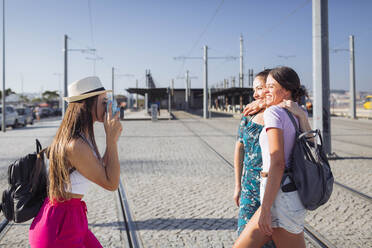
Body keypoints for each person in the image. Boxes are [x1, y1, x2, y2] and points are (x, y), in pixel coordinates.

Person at [29, 76, 123, 248]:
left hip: (71, 217)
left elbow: (100, 169)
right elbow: (111, 183)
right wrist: (111, 141)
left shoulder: (82, 137)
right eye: (103, 102)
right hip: (59, 227)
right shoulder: (75, 145)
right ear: (87, 104)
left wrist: (112, 138)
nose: (107, 106)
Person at [234, 67, 311, 248]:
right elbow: (312, 145)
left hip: (278, 198)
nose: (263, 92)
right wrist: (263, 104)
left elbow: (277, 162)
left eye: (269, 86)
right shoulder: (298, 112)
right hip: (289, 195)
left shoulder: (274, 113)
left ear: (284, 89)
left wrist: (266, 209)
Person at [234, 69, 271, 236]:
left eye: (259, 88)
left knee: (270, 240)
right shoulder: (249, 115)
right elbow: (239, 147)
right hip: (250, 189)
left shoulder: (280, 113)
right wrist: (238, 186)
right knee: (244, 236)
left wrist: (266, 104)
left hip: (274, 189)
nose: (255, 94)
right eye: (253, 90)